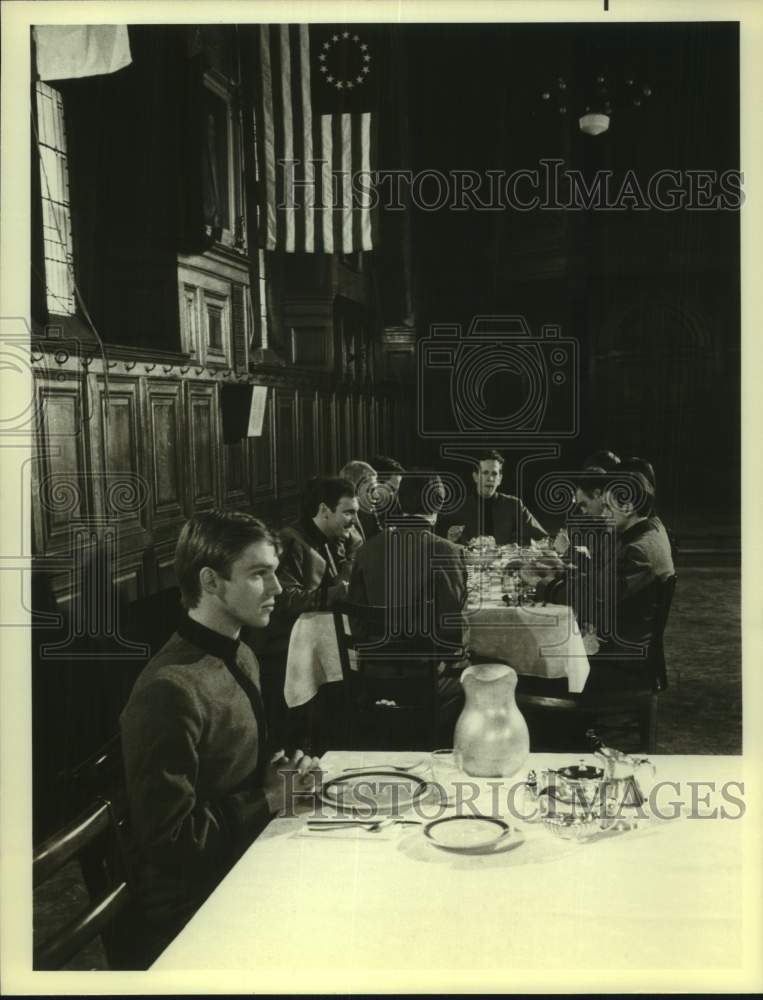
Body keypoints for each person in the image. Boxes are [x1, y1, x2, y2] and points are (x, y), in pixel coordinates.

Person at [120, 512, 320, 963]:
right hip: (198, 905)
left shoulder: (241, 653)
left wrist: (278, 775)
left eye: (275, 571)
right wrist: (269, 798)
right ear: (210, 581)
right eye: (259, 575)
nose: (278, 589)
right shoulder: (169, 689)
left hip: (245, 858)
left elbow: (235, 767)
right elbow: (171, 842)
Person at [348, 469, 469, 740]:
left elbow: (356, 623)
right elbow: (454, 636)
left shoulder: (366, 551)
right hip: (429, 681)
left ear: (400, 503)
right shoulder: (448, 552)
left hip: (373, 677)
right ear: (438, 505)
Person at [248, 476, 359, 744]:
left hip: (318, 643)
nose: (354, 520)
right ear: (324, 510)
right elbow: (287, 600)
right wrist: (343, 585)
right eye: (348, 512)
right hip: (283, 649)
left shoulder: (335, 537)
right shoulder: (291, 541)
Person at [437, 450, 547, 546]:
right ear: (475, 477)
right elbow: (437, 541)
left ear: (500, 479)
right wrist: (449, 538)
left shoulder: (514, 505)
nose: (490, 478)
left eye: (494, 473)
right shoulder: (458, 507)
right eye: (485, 473)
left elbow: (542, 538)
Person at [339, 459, 378, 547]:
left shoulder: (370, 514)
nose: (376, 496)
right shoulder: (340, 523)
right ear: (354, 491)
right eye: (371, 490)